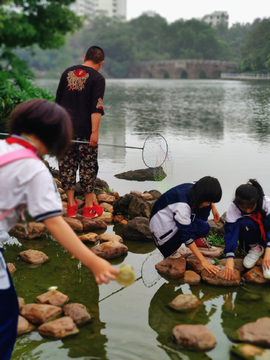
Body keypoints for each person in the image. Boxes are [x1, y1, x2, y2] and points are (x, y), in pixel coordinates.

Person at [0, 99, 119, 360]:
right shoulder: (34, 168)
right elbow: (54, 225)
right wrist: (93, 262)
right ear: (58, 138)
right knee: (6, 319)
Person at [55, 45, 106, 218]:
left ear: (85, 57)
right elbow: (96, 107)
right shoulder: (98, 78)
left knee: (67, 166)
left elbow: (57, 103)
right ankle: (89, 208)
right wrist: (95, 132)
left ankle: (70, 207)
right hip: (85, 132)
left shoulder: (67, 73)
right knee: (88, 168)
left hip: (65, 130)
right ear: (101, 63)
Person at [149, 176, 222, 274]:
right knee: (188, 232)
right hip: (162, 233)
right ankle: (171, 250)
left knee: (204, 224)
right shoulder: (182, 205)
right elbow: (186, 236)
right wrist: (203, 261)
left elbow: (207, 194)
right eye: (208, 201)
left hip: (169, 219)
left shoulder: (196, 187)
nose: (209, 203)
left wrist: (213, 207)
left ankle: (197, 242)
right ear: (202, 195)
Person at [224, 179, 270, 280]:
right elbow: (231, 231)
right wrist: (230, 257)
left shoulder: (265, 202)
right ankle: (256, 249)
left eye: (251, 207)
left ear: (257, 200)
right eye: (244, 208)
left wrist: (269, 248)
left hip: (267, 235)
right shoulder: (234, 207)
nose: (248, 210)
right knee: (244, 223)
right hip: (253, 234)